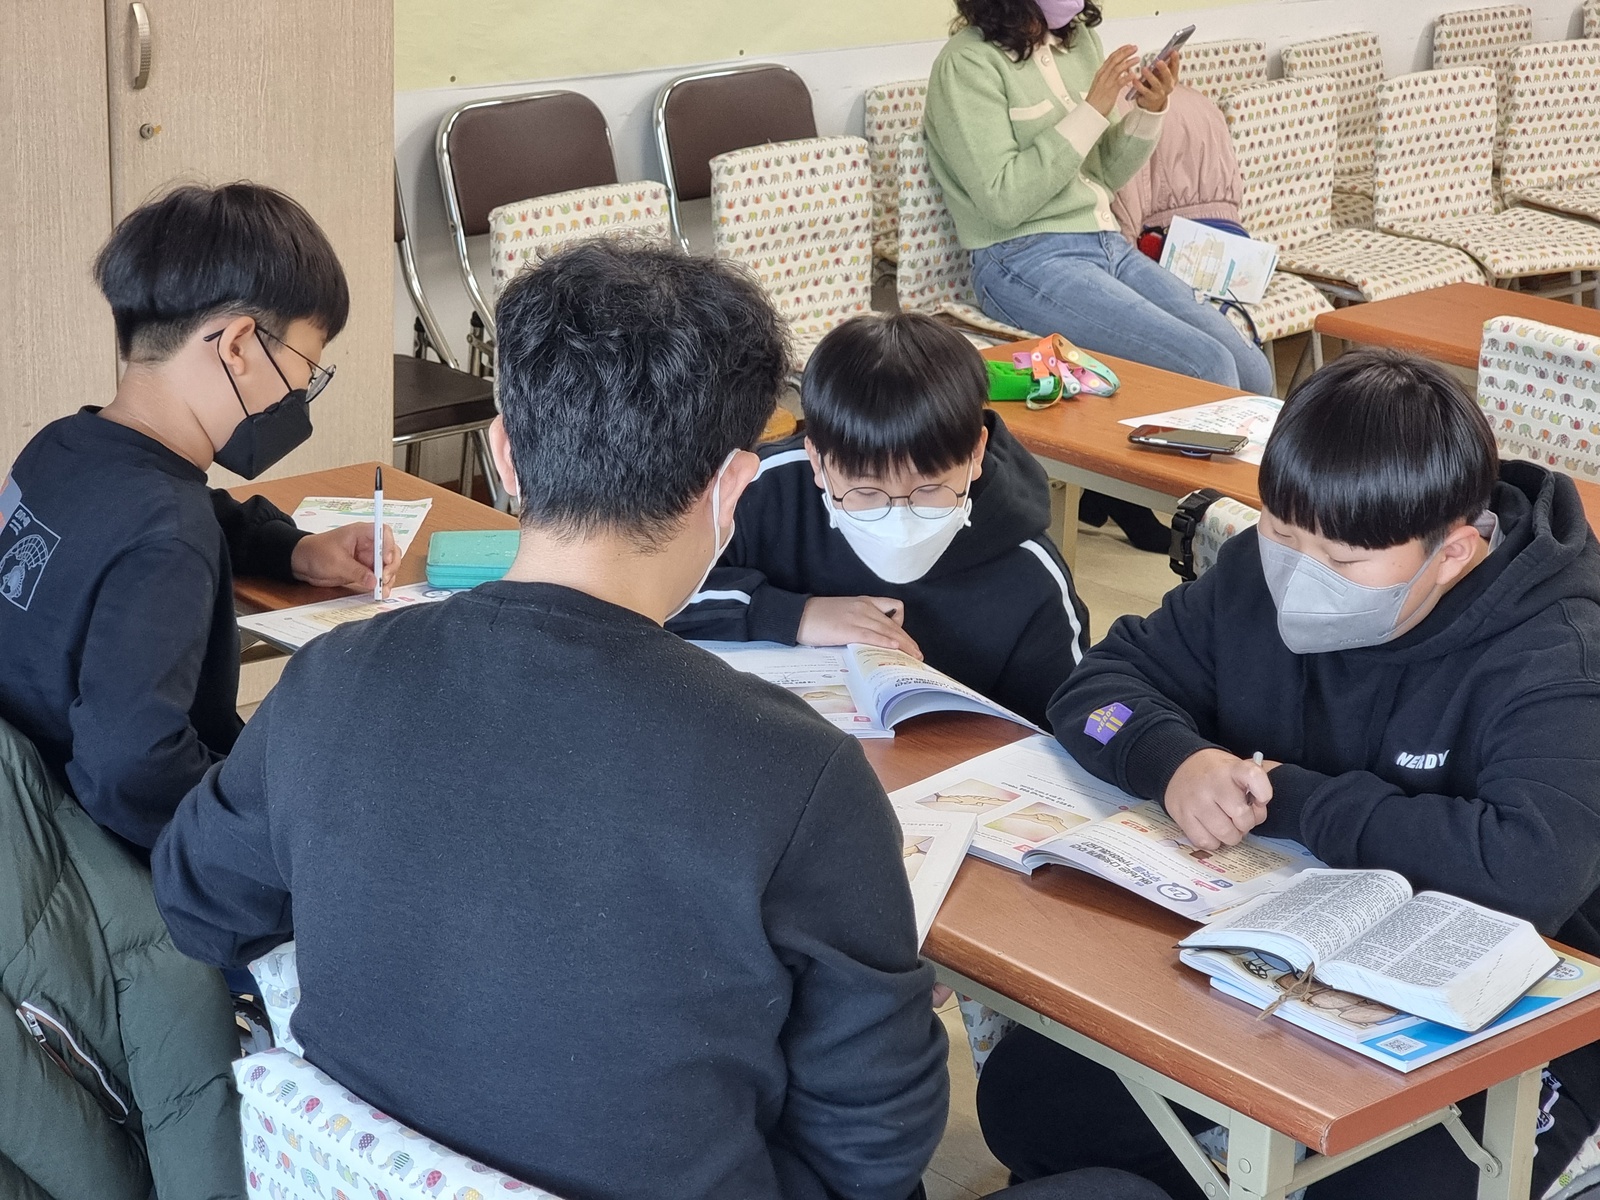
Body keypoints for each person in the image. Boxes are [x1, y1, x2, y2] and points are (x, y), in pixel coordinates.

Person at [976, 351, 1600, 1199]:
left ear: (1453, 554)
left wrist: (1293, 800)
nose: (1300, 577)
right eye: (1281, 533)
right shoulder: (1254, 574)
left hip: (1520, 995)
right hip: (1277, 942)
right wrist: (1173, 759)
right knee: (1031, 1101)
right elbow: (1097, 696)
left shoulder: (1557, 649)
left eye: (1343, 563)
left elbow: (1530, 870)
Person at [0, 183, 394, 854]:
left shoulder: (61, 448)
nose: (302, 392)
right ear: (238, 344)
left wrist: (293, 551)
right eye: (307, 366)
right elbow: (133, 770)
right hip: (113, 862)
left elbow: (152, 519)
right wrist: (270, 847)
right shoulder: (168, 537)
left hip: (31, 816)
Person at [923, 0, 1275, 551]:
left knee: (1252, 369)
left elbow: (1101, 174)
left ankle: (1259, 522)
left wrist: (1148, 111)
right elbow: (1002, 201)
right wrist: (1091, 109)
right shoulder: (966, 65)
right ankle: (1211, 538)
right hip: (1021, 258)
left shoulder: (1076, 41)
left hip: (1105, 241)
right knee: (1207, 367)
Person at [669, 312, 1088, 726]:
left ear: (976, 452)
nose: (899, 520)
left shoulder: (1031, 574)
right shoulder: (755, 493)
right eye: (866, 493)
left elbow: (1064, 723)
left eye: (930, 489)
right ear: (817, 459)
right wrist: (793, 615)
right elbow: (650, 597)